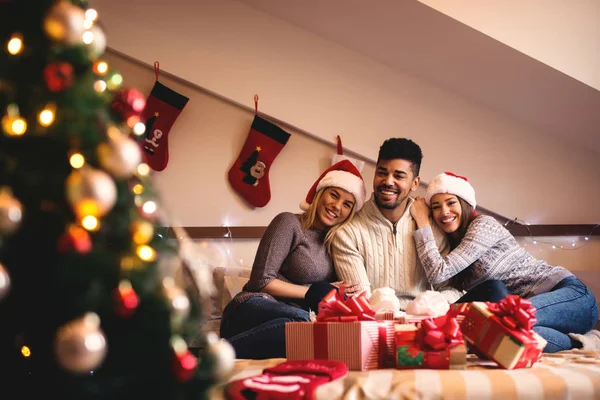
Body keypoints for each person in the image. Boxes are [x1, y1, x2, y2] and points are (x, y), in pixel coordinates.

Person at [410, 171, 599, 352]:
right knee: (500, 331)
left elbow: (438, 272)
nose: (444, 211)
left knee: (509, 321)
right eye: (436, 207)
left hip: (570, 295)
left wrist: (422, 222)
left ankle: (590, 342)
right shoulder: (455, 249)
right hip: (527, 312)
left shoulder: (484, 225)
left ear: (465, 204)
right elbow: (443, 282)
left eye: (451, 203)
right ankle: (579, 341)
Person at [220, 160, 368, 359]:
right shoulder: (289, 223)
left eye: (347, 204)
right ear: (319, 193)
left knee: (314, 332)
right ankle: (211, 357)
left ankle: (226, 352)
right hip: (252, 307)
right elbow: (261, 281)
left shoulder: (337, 243)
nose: (337, 206)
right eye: (333, 195)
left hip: (290, 319)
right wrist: (314, 292)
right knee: (302, 323)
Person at [332, 138, 475, 309]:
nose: (388, 181)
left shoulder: (433, 228)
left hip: (426, 319)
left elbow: (451, 289)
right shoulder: (347, 232)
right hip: (376, 324)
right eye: (382, 173)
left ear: (415, 183)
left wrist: (423, 308)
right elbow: (362, 301)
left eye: (399, 176)